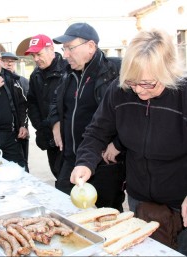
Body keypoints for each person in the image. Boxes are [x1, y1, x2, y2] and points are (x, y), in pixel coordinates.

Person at [70, 28, 187, 255]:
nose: (139, 91)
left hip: (180, 198)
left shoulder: (183, 95)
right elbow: (96, 132)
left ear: (168, 71)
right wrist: (85, 162)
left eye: (149, 84)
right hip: (140, 199)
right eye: (133, 83)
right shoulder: (119, 91)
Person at [48, 22, 125, 211]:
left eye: (69, 48)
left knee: (106, 215)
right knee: (65, 209)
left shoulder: (115, 72)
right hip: (70, 159)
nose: (65, 54)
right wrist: (55, 123)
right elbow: (55, 102)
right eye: (64, 49)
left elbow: (130, 114)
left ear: (90, 46)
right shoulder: (67, 74)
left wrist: (117, 143)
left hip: (102, 163)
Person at [25, 34, 67, 178]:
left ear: (51, 49)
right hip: (48, 137)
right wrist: (41, 126)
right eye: (33, 55)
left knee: (67, 180)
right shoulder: (35, 75)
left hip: (67, 136)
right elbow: (32, 103)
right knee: (57, 172)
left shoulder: (68, 69)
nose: (36, 59)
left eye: (39, 54)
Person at [1, 51, 30, 171]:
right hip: (5, 133)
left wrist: (24, 125)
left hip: (21, 130)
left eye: (11, 61)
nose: (9, 64)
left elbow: (28, 105)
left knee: (22, 162)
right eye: (5, 61)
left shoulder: (22, 81)